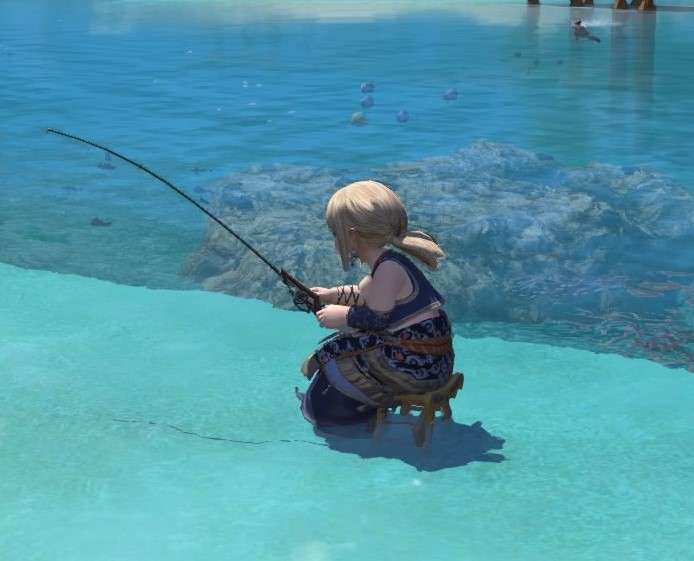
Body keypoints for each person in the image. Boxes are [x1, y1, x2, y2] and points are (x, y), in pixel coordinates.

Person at [297, 180, 455, 427]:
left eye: (335, 234)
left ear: (351, 234)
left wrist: (344, 316)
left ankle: (350, 409)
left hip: (416, 365)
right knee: (345, 345)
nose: (335, 241)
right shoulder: (389, 263)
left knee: (339, 349)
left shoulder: (389, 269)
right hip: (425, 356)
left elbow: (378, 318)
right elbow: (363, 294)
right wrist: (329, 294)